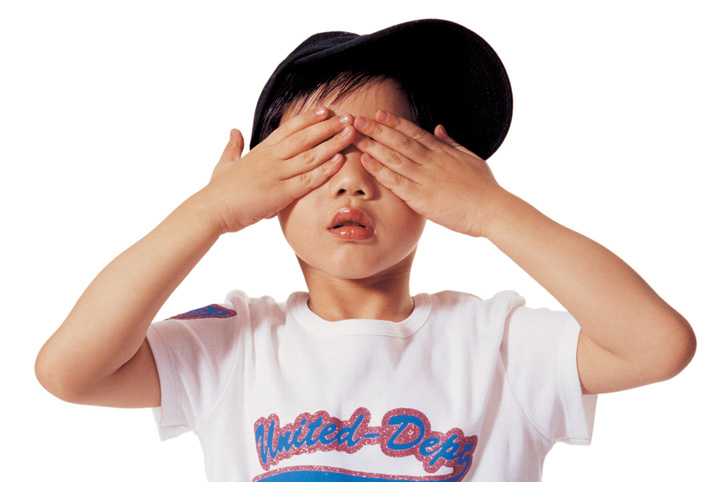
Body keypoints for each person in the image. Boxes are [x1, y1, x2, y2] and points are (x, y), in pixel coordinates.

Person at [34, 19, 696, 481]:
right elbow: (70, 372)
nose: (350, 181)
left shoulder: (497, 343)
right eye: (316, 154)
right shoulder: (237, 345)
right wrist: (208, 211)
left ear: (438, 183)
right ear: (264, 190)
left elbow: (657, 346)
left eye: (387, 153)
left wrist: (491, 210)